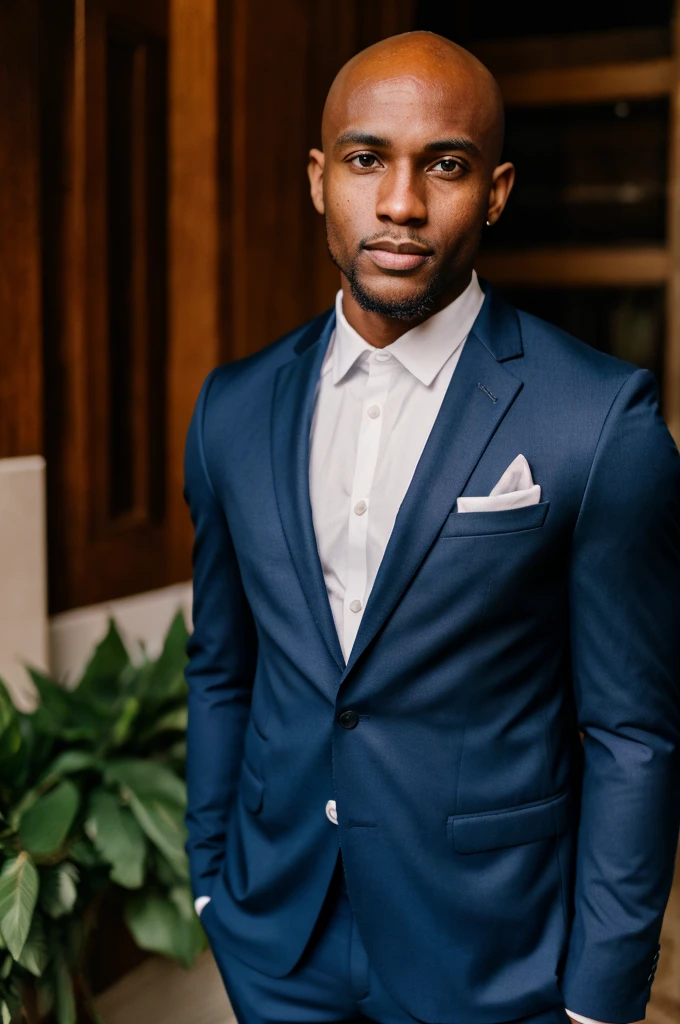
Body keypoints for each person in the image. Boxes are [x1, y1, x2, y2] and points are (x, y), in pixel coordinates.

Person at [182, 29, 680, 1024]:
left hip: (493, 962)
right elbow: (223, 667)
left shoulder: (597, 420)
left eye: (442, 166)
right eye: (366, 159)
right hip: (277, 942)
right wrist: (208, 879)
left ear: (493, 191)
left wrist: (599, 997)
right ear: (319, 179)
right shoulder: (230, 409)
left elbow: (631, 732)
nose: (400, 204)